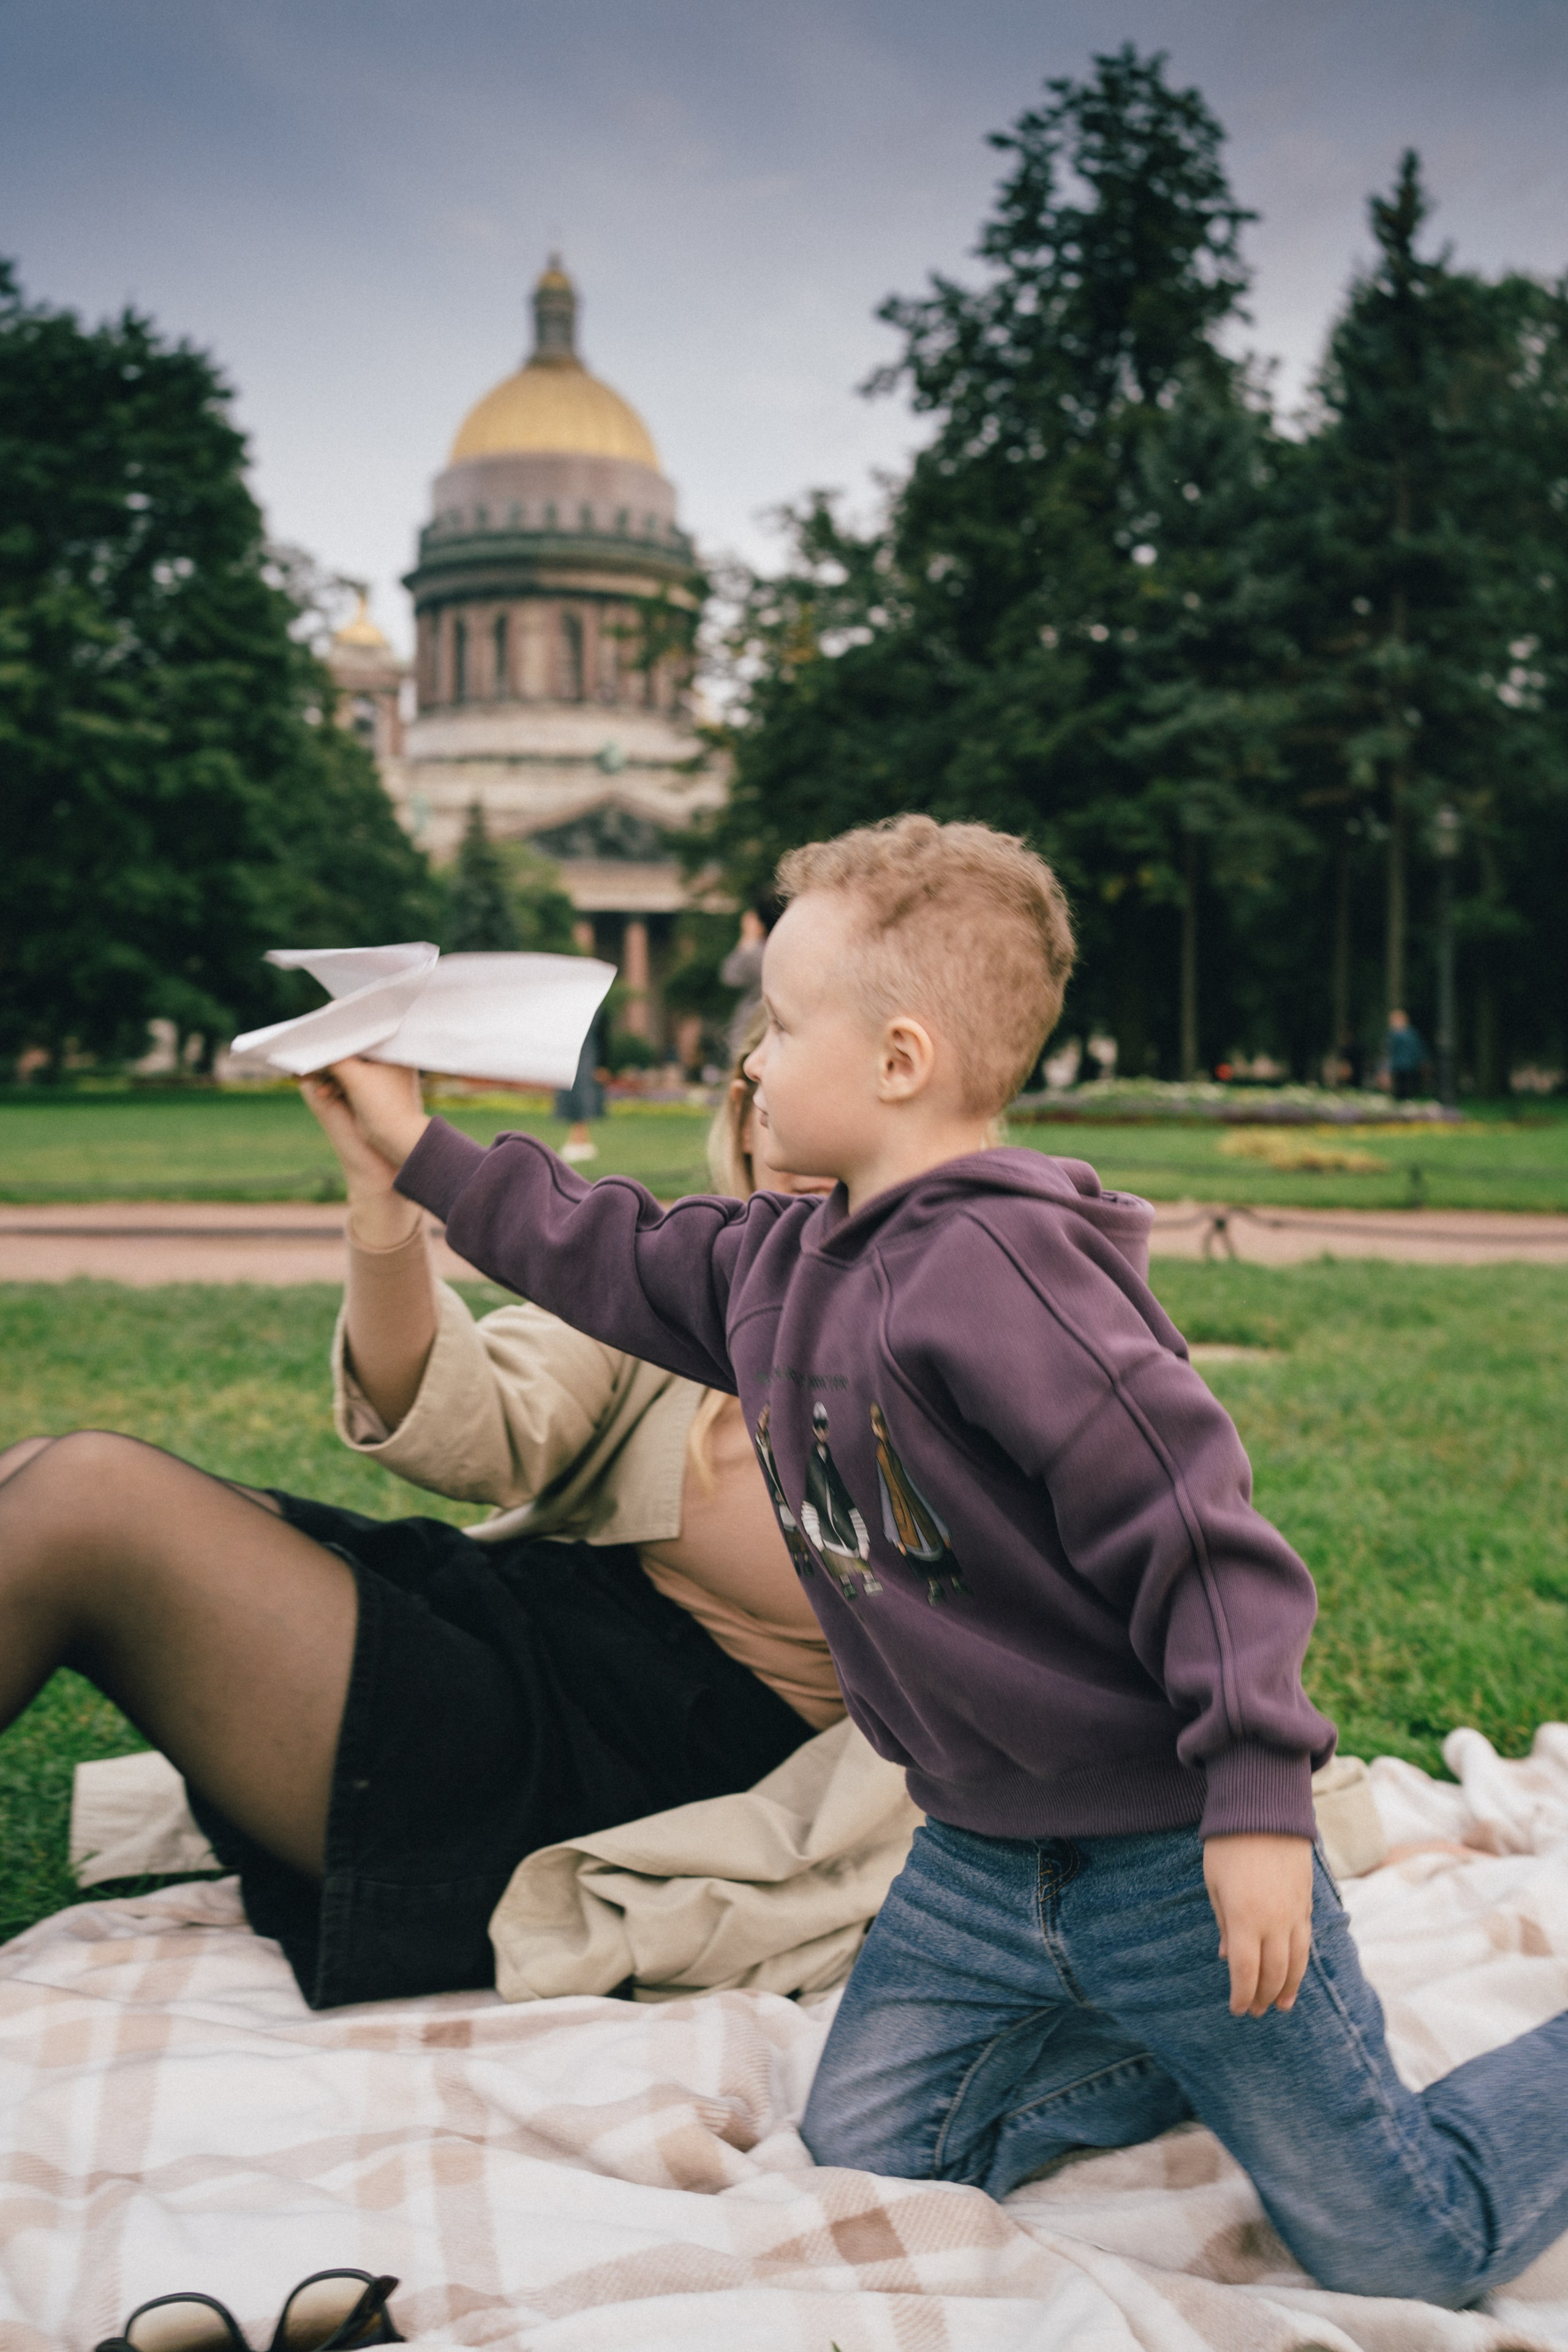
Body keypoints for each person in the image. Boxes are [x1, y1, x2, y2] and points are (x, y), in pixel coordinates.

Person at [330, 811, 1568, 2310]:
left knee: (1402, 2248)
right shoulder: (780, 1265)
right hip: (973, 1864)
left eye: (780, 1026)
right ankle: (1172, 2054)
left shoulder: (1006, 1275)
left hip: (1170, 1861)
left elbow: (1206, 1537)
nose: (755, 1062)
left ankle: (1278, 2049)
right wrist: (411, 1148)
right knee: (867, 2154)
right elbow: (602, 1245)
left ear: (900, 1060)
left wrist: (1253, 1801)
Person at [0, 1022, 840, 2010]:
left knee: (89, 1502)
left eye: (809, 1074)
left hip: (605, 1764)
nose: (781, 1141)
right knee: (37, 1473)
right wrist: (382, 1202)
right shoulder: (684, 1271)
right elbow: (473, 1432)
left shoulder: (981, 1325)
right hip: (511, 1630)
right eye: (759, 1101)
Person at [1383, 1006, 1428, 1101]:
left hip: (1400, 1066)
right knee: (1408, 1090)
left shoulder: (1395, 1035)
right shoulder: (1413, 1034)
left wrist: (1386, 1069)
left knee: (1400, 1090)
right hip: (1411, 1066)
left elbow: (1391, 1053)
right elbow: (1420, 1050)